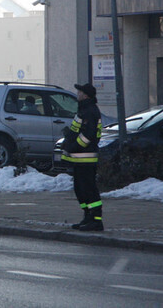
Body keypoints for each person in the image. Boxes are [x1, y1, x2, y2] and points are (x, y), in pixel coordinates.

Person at [61, 82, 104, 231]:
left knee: (88, 189)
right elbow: (77, 131)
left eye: (79, 92)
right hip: (79, 158)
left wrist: (73, 146)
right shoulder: (84, 109)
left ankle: (96, 220)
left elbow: (87, 136)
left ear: (85, 95)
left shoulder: (90, 111)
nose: (77, 94)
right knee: (80, 189)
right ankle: (88, 216)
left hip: (86, 158)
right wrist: (68, 140)